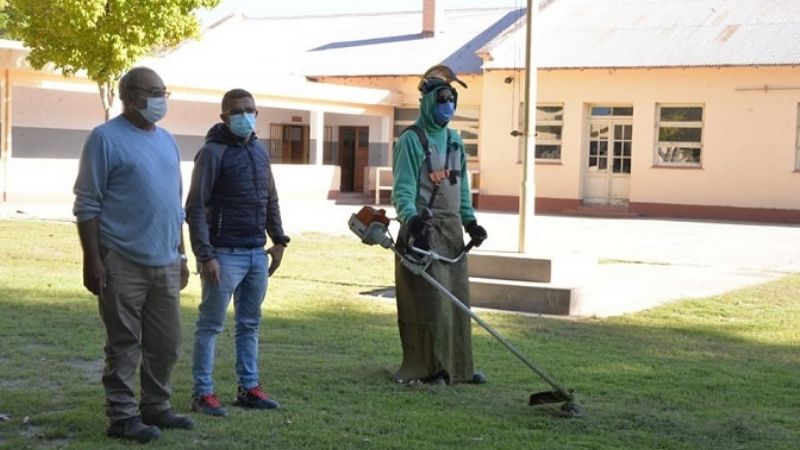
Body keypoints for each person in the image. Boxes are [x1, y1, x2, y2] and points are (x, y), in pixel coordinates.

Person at [73, 67, 194, 444]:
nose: (161, 99)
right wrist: (92, 260)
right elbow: (87, 204)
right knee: (124, 344)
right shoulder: (104, 139)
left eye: (164, 91)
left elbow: (174, 205)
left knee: (167, 343)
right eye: (153, 92)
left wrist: (182, 254)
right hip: (121, 261)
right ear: (129, 95)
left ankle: (156, 407)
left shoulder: (167, 141)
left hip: (165, 261)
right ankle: (122, 417)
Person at [185, 88, 290, 417]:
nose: (246, 116)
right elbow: (196, 207)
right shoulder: (212, 153)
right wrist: (205, 255)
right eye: (238, 111)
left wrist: (279, 240)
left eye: (251, 110)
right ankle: (203, 393)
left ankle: (249, 388)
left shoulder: (259, 152)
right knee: (210, 325)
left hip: (256, 254)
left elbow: (270, 199)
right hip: (223, 255)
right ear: (224, 116)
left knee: (249, 324)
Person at [391, 65, 489, 386]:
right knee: (431, 305)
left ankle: (460, 368)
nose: (448, 105)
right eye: (443, 99)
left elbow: (461, 189)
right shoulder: (411, 140)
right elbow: (403, 189)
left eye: (452, 99)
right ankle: (431, 369)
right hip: (422, 231)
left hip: (451, 234)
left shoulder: (455, 141)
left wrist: (470, 221)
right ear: (429, 102)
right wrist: (412, 219)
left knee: (458, 301)